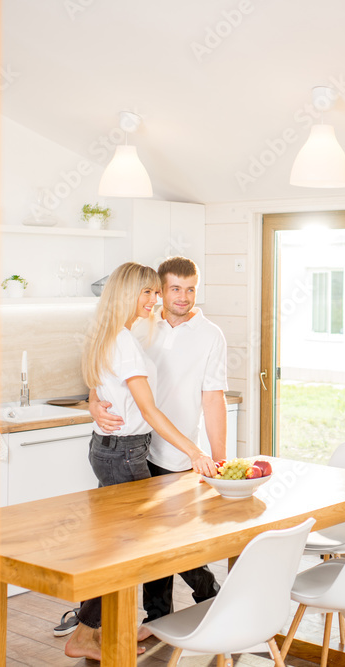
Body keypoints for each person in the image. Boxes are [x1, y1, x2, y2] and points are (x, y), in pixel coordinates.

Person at [63, 261, 218, 661]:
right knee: (137, 546)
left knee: (125, 545)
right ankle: (94, 628)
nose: (154, 300)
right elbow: (145, 409)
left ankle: (96, 628)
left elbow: (104, 384)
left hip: (117, 448)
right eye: (149, 292)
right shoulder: (130, 337)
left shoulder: (116, 332)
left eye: (154, 292)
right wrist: (196, 452)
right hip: (129, 449)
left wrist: (207, 453)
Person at [91, 256, 229, 625]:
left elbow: (213, 399)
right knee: (142, 541)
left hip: (178, 453)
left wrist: (220, 460)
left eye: (190, 289)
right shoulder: (137, 324)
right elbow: (105, 374)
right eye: (173, 289)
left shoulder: (210, 335)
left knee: (166, 540)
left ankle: (207, 595)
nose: (182, 297)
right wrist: (93, 402)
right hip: (133, 447)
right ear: (158, 290)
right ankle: (157, 619)